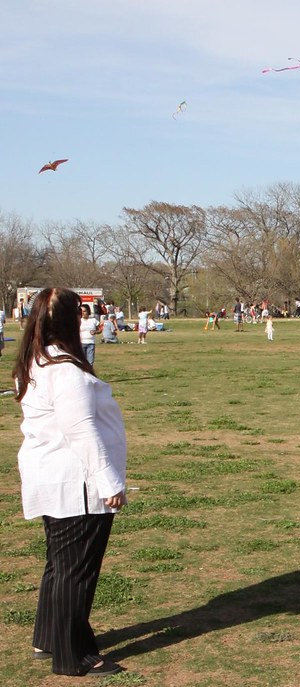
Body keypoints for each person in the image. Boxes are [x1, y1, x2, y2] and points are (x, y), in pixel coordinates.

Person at [12, 288, 127, 677]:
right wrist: (109, 481)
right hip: (75, 482)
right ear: (71, 320)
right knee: (76, 570)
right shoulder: (63, 370)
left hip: (56, 478)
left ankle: (49, 638)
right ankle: (73, 655)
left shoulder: (37, 361)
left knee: (60, 566)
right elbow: (81, 430)